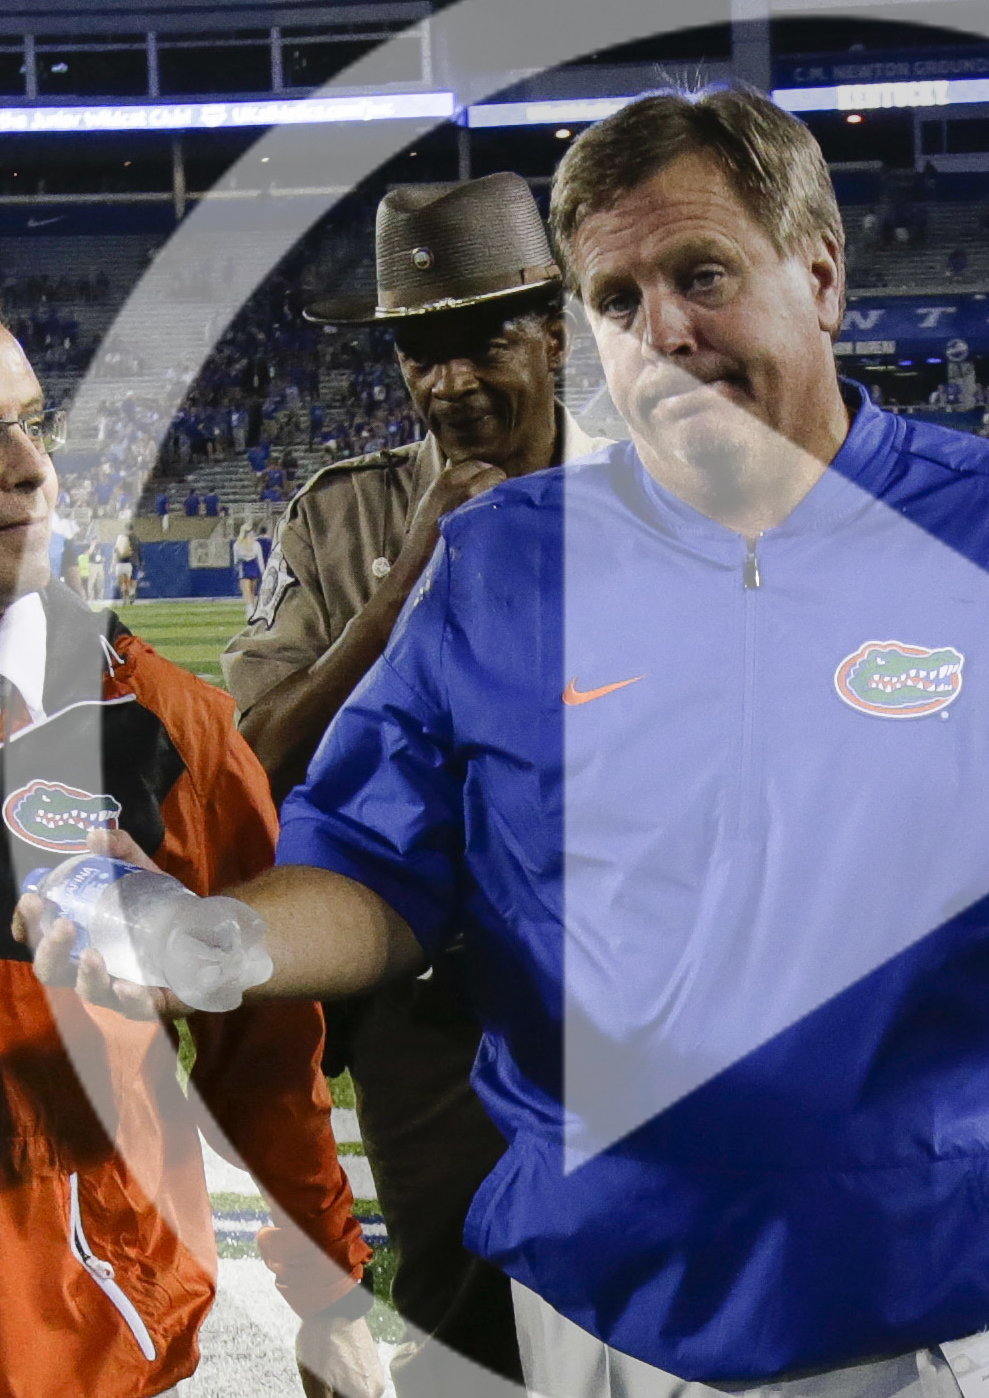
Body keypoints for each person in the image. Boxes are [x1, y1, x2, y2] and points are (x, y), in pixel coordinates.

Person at [27, 87, 989, 1398]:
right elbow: (376, 870)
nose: (663, 333)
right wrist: (219, 937)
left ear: (820, 274)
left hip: (943, 1319)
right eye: (616, 299)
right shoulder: (500, 568)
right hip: (608, 1323)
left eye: (701, 273)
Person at [0, 287, 381, 1398]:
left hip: (91, 1348)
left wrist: (325, 1291)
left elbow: (267, 1053)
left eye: (32, 424)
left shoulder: (162, 729)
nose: (33, 467)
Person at [220, 172, 601, 1398]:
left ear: (555, 330)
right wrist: (399, 592)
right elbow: (253, 761)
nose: (447, 383)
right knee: (460, 1304)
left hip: (632, 979)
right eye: (416, 353)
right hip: (430, 996)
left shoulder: (659, 501)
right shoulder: (343, 523)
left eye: (481, 339)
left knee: (663, 1302)